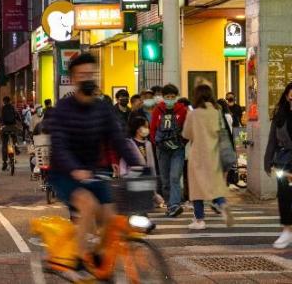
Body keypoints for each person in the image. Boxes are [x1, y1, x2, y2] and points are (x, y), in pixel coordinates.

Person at [47, 53, 143, 267]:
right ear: (72, 79)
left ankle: (99, 261)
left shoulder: (103, 108)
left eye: (91, 73)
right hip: (64, 173)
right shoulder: (63, 109)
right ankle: (78, 258)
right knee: (88, 205)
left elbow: (118, 140)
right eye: (82, 75)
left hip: (93, 171)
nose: (88, 78)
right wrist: (74, 170)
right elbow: (60, 146)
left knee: (111, 219)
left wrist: (139, 166)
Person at [182, 85, 234, 230]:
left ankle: (199, 220)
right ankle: (222, 205)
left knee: (197, 188)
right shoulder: (217, 112)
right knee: (214, 185)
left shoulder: (193, 114)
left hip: (198, 154)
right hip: (214, 154)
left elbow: (186, 134)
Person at [151, 84, 188, 217]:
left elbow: (187, 128)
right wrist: (156, 143)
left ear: (176, 97)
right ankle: (169, 204)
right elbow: (152, 129)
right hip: (162, 150)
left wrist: (182, 142)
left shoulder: (183, 110)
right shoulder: (157, 110)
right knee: (165, 180)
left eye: (173, 97)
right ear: (163, 97)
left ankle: (175, 205)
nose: (170, 99)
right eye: (167, 97)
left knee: (174, 177)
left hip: (177, 149)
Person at [264, 82, 292, 249]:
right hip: (284, 162)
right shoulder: (280, 115)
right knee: (284, 197)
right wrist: (268, 161)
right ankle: (286, 230)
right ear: (287, 97)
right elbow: (272, 141)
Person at [0, 96, 19, 171]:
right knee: (14, 138)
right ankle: (16, 147)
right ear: (10, 101)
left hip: (4, 129)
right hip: (13, 127)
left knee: (4, 144)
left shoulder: (1, 109)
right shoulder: (13, 108)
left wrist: (0, 125)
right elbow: (17, 116)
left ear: (3, 101)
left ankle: (4, 162)